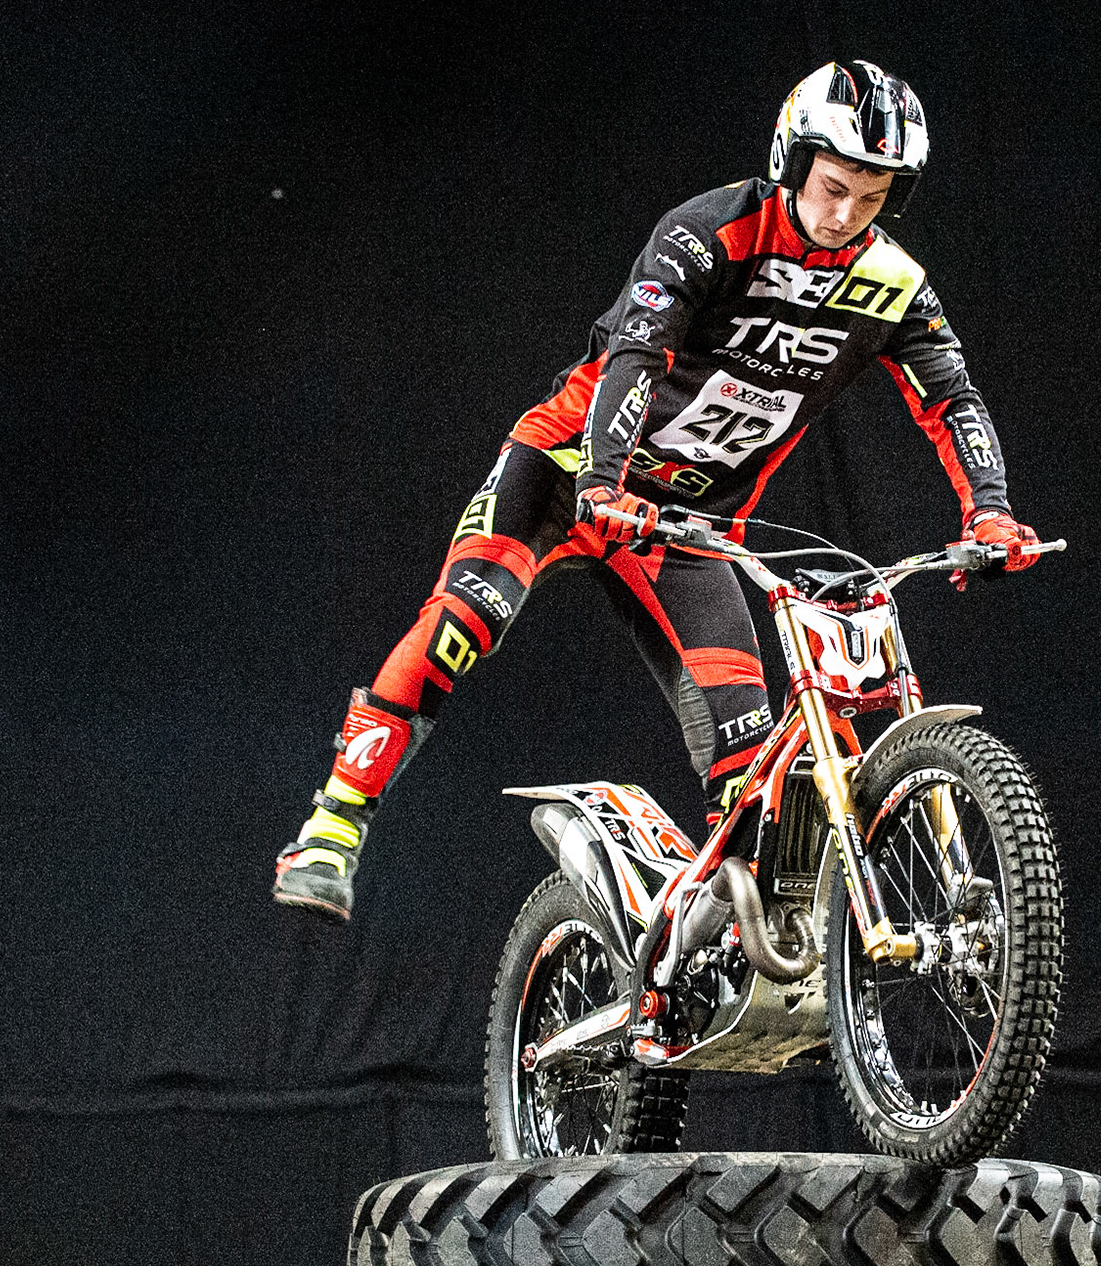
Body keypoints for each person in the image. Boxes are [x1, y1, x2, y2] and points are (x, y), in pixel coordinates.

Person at [273, 59, 1041, 921]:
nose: (843, 216)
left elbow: (951, 396)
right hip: (566, 469)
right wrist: (603, 478)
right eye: (832, 188)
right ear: (792, 160)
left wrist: (991, 509)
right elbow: (637, 352)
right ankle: (331, 828)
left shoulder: (894, 283)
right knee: (467, 617)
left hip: (686, 523)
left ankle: (717, 930)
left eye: (871, 199)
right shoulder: (706, 231)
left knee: (747, 740)